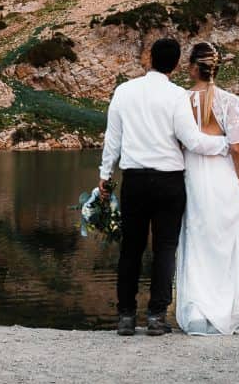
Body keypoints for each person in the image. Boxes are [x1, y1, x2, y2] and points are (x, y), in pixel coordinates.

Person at [98, 37, 230, 336]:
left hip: (134, 180)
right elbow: (192, 141)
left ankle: (126, 317)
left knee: (130, 248)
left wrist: (105, 175)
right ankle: (157, 316)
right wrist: (226, 144)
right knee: (165, 248)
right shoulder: (177, 96)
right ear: (174, 65)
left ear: (149, 58)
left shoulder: (124, 91)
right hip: (169, 182)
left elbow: (112, 140)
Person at [175, 41, 239, 335]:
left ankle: (199, 311)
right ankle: (228, 310)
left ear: (192, 67)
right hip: (222, 178)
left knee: (198, 242)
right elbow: (236, 149)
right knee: (228, 242)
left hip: (192, 178)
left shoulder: (180, 101)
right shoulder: (230, 101)